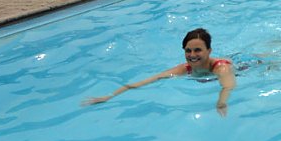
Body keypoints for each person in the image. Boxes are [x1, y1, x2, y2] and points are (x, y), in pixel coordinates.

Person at [81, 28, 236, 117]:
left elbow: (228, 86)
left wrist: (221, 103)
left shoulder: (221, 68)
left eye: (198, 50)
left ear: (209, 50)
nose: (192, 55)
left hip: (245, 68)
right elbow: (147, 81)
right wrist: (110, 96)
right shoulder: (184, 69)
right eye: (188, 51)